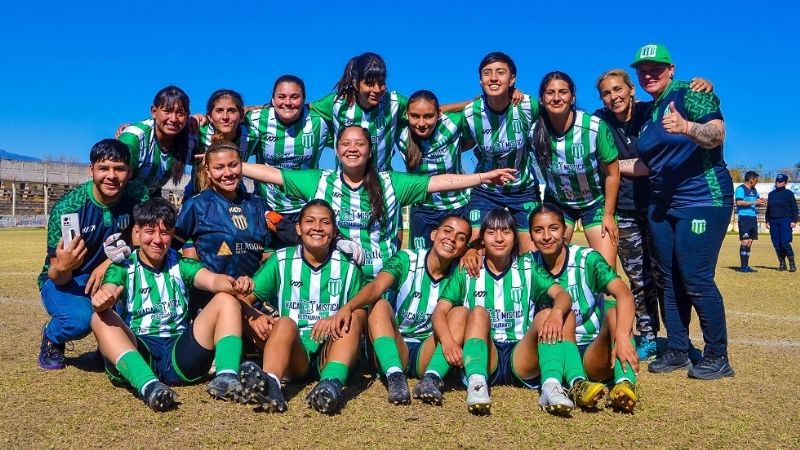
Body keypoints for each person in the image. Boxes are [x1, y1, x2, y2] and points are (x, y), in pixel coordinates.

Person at [241, 125, 516, 280]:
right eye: (345, 144)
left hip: (383, 279)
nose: (352, 149)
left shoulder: (391, 182)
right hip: (336, 278)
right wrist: (230, 165)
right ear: (336, 150)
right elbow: (271, 174)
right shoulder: (319, 180)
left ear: (370, 150)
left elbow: (440, 181)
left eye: (359, 144)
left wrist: (482, 177)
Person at [625, 43, 734, 380]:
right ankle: (677, 349)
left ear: (671, 69)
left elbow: (716, 134)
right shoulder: (649, 112)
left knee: (695, 278)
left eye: (656, 68)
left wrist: (687, 127)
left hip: (702, 199)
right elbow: (647, 165)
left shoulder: (691, 93)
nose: (648, 75)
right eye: (642, 70)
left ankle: (717, 356)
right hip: (663, 205)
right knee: (668, 280)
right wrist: (607, 166)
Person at [434, 208, 605, 416]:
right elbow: (439, 311)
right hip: (487, 355)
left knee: (548, 314)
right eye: (491, 233)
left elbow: (563, 296)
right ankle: (477, 384)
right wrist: (449, 342)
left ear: (515, 237)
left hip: (521, 354)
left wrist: (555, 314)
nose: (499, 239)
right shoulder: (468, 269)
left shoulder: (527, 266)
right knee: (477, 312)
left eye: (506, 232)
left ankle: (550, 387)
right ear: (482, 240)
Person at [595, 68, 716, 359]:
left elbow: (689, 110)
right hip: (625, 211)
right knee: (639, 279)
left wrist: (705, 84)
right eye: (606, 93)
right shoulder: (598, 122)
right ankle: (648, 336)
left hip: (660, 206)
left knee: (668, 276)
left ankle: (678, 339)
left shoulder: (652, 112)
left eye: (618, 89)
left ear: (631, 90)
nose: (614, 97)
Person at [89, 198, 248, 412]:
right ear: (137, 232)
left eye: (164, 232)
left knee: (227, 299)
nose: (157, 240)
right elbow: (109, 288)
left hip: (181, 353)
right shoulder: (122, 267)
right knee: (99, 317)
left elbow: (211, 280)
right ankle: (148, 385)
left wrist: (234, 284)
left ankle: (226, 377)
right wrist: (104, 297)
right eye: (150, 231)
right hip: (141, 349)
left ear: (172, 234)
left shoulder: (182, 264)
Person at [328, 214, 472, 406]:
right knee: (379, 304)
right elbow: (376, 287)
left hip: (428, 348)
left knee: (461, 312)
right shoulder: (406, 259)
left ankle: (431, 378)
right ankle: (395, 376)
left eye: (460, 238)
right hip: (396, 343)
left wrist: (474, 252)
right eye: (447, 231)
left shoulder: (461, 272)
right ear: (433, 234)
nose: (452, 239)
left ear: (464, 248)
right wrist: (348, 307)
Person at [237, 200, 365, 415]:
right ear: (298, 228)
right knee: (285, 322)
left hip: (332, 349)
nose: (317, 227)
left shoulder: (348, 266)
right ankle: (271, 385)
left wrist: (337, 318)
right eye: (310, 221)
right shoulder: (281, 260)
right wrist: (255, 315)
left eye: (325, 222)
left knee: (351, 318)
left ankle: (331, 384)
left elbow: (363, 311)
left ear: (334, 231)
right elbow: (242, 298)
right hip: (295, 353)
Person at [37, 139, 149, 370]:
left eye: (119, 169)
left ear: (129, 172)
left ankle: (107, 349)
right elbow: (57, 275)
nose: (111, 176)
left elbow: (141, 240)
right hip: (69, 279)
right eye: (103, 168)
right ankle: (52, 337)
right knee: (79, 320)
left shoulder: (137, 195)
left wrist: (107, 264)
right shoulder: (69, 209)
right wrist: (64, 267)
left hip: (114, 272)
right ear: (91, 170)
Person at [528, 203, 640, 413]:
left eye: (554, 228)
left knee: (615, 312)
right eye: (538, 230)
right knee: (555, 315)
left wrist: (622, 337)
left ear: (565, 230)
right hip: (551, 349)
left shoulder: (588, 259)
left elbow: (624, 295)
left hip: (591, 351)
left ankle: (624, 385)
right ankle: (574, 385)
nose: (546, 236)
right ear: (531, 236)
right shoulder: (528, 263)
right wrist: (471, 252)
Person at [174, 138, 273, 316]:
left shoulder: (258, 204)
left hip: (254, 299)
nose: (227, 173)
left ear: (242, 166)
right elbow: (170, 249)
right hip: (212, 301)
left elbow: (271, 255)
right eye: (219, 167)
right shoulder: (196, 205)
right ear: (208, 171)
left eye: (233, 165)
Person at [531, 71, 620, 266]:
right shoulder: (534, 131)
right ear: (542, 99)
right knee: (551, 264)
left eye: (563, 92)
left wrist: (608, 214)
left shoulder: (594, 127)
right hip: (559, 203)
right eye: (550, 93)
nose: (556, 98)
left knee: (604, 269)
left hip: (595, 203)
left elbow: (613, 174)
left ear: (573, 97)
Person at [460, 52, 542, 252]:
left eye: (500, 72)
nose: (494, 78)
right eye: (487, 73)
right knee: (475, 252)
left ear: (512, 79)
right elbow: (465, 144)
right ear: (480, 80)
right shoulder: (470, 113)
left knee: (530, 255)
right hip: (486, 190)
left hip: (523, 189)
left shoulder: (528, 105)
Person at [396, 90, 470, 249]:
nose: (421, 123)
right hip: (422, 211)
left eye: (428, 116)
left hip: (457, 208)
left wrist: (513, 94)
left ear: (439, 115)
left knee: (459, 260)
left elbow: (484, 108)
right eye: (415, 116)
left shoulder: (452, 123)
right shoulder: (399, 132)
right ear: (407, 115)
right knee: (422, 260)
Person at [311, 52, 407, 171]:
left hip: (382, 179)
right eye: (369, 83)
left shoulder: (394, 102)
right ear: (356, 83)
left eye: (381, 83)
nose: (377, 89)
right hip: (343, 180)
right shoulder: (337, 103)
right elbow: (305, 109)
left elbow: (423, 107)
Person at [117, 86, 196, 197]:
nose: (173, 119)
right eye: (167, 111)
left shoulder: (190, 140)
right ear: (154, 111)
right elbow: (113, 176)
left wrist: (201, 118)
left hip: (152, 196)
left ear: (187, 116)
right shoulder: (135, 137)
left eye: (180, 113)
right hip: (120, 197)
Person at [766, 174, 798, 271]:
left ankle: (792, 263)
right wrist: (767, 220)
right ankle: (782, 263)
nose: (778, 183)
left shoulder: (789, 194)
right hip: (773, 221)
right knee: (776, 244)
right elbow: (768, 209)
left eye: (780, 181)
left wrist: (794, 220)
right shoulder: (771, 194)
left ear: (785, 183)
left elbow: (794, 208)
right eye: (777, 181)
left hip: (785, 220)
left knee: (785, 243)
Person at [735, 171, 766, 272]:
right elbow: (739, 202)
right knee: (745, 241)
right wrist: (754, 202)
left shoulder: (754, 190)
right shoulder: (740, 189)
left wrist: (760, 202)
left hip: (753, 218)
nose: (757, 182)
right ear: (751, 180)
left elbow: (756, 202)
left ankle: (746, 265)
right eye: (756, 180)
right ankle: (743, 266)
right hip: (744, 217)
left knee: (749, 242)